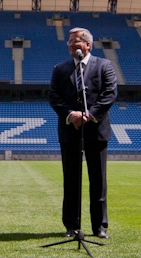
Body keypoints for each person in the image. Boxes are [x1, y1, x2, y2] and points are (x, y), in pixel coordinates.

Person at [49, 27, 118, 239]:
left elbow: (109, 95)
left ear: (88, 45)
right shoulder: (60, 69)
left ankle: (99, 227)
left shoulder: (105, 66)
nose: (71, 45)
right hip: (70, 131)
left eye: (76, 41)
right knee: (71, 181)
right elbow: (54, 97)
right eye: (69, 42)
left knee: (98, 181)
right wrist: (71, 115)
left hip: (96, 131)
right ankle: (72, 226)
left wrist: (88, 115)